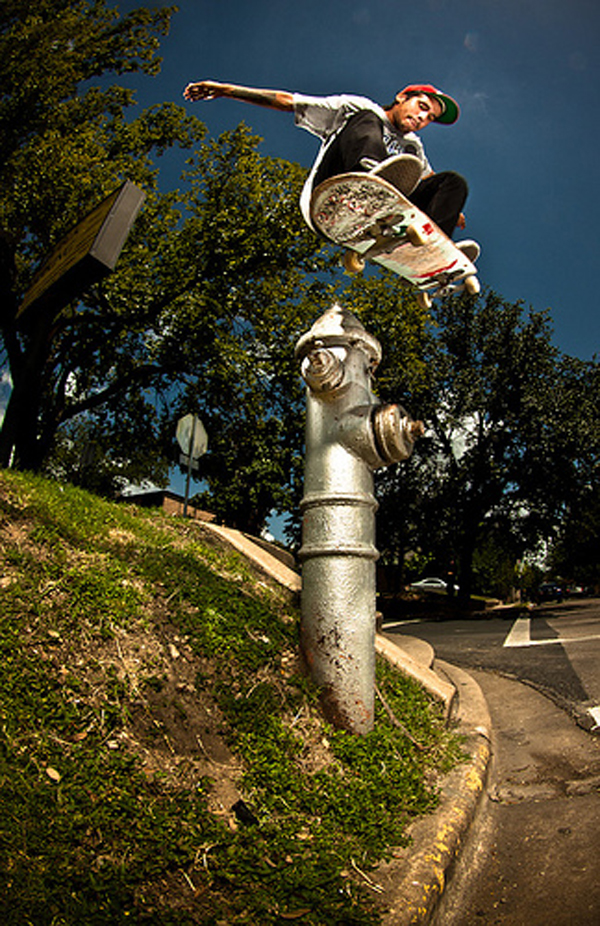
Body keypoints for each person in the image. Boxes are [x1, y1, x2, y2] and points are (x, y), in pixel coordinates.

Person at [183, 79, 478, 259]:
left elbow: (428, 178)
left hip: (370, 222)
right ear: (403, 97)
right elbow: (289, 102)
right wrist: (226, 90)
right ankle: (370, 180)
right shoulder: (356, 107)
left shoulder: (414, 146)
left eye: (429, 117)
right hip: (330, 197)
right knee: (367, 117)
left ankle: (433, 251)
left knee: (454, 182)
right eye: (422, 106)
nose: (422, 117)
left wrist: (450, 206)